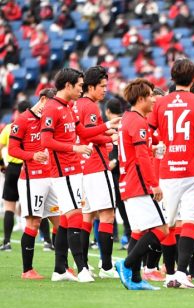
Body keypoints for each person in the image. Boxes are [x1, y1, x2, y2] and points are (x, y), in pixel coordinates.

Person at [40, 68, 120, 283]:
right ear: (68, 85)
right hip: (62, 170)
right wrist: (73, 148)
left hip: (75, 169)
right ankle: (82, 268)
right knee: (75, 215)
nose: (81, 89)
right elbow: (45, 141)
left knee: (67, 219)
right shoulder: (52, 108)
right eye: (78, 85)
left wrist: (107, 126)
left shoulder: (70, 108)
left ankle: (59, 269)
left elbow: (84, 133)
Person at [149, 58, 194, 288]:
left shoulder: (161, 103)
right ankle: (181, 273)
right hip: (193, 169)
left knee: (165, 224)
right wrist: (193, 143)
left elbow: (149, 134)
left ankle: (169, 273)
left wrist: (167, 142)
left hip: (168, 170)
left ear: (172, 78)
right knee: (189, 220)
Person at [114, 78, 167, 291]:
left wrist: (150, 150)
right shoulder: (138, 121)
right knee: (162, 228)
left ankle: (135, 279)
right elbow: (142, 158)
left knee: (138, 232)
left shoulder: (127, 119)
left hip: (128, 182)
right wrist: (154, 184)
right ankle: (126, 264)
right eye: (151, 96)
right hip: (139, 184)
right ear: (141, 98)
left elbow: (137, 152)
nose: (154, 100)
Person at [8, 89, 61, 279]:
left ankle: (61, 268)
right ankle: (27, 270)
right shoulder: (22, 120)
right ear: (43, 99)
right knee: (34, 222)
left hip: (51, 177)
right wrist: (32, 155)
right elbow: (12, 149)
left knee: (60, 220)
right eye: (51, 103)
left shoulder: (51, 118)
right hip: (32, 179)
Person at [76, 66, 118, 279]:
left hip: (82, 168)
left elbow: (86, 134)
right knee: (107, 215)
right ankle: (107, 267)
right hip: (96, 166)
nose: (105, 90)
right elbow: (90, 135)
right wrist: (110, 137)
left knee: (86, 216)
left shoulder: (77, 104)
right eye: (102, 86)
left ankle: (83, 265)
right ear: (90, 87)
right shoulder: (91, 107)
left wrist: (107, 135)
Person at [0, 101, 30, 252]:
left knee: (9, 207)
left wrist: (1, 165)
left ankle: (6, 242)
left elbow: (0, 147)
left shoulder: (9, 127)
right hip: (28, 167)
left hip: (12, 169)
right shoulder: (32, 127)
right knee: (35, 206)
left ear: (17, 112)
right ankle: (47, 242)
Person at [105, 98, 131, 248]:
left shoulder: (118, 124)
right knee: (113, 207)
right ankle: (120, 235)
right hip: (120, 171)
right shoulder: (125, 121)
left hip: (118, 172)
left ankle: (126, 236)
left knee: (118, 207)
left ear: (108, 111)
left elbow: (119, 148)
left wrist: (113, 162)